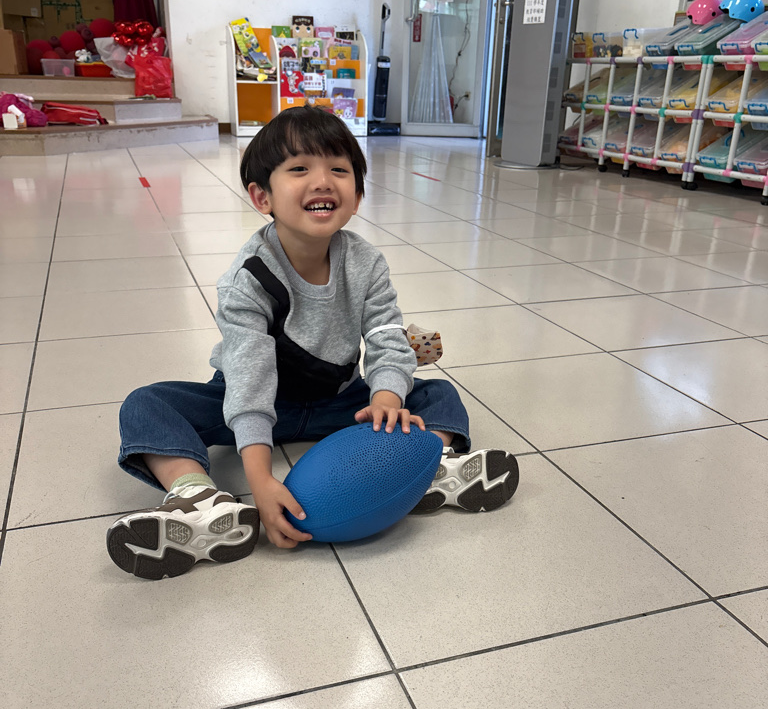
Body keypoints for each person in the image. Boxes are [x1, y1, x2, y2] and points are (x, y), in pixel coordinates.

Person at [108, 106, 519, 579]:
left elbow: (386, 335)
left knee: (437, 393)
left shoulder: (365, 263)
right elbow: (248, 376)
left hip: (338, 400)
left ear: (357, 195)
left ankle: (427, 466)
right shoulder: (249, 278)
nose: (323, 181)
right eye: (300, 169)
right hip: (258, 400)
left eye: (339, 170)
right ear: (262, 196)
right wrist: (259, 479)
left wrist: (386, 399)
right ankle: (197, 498)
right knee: (147, 405)